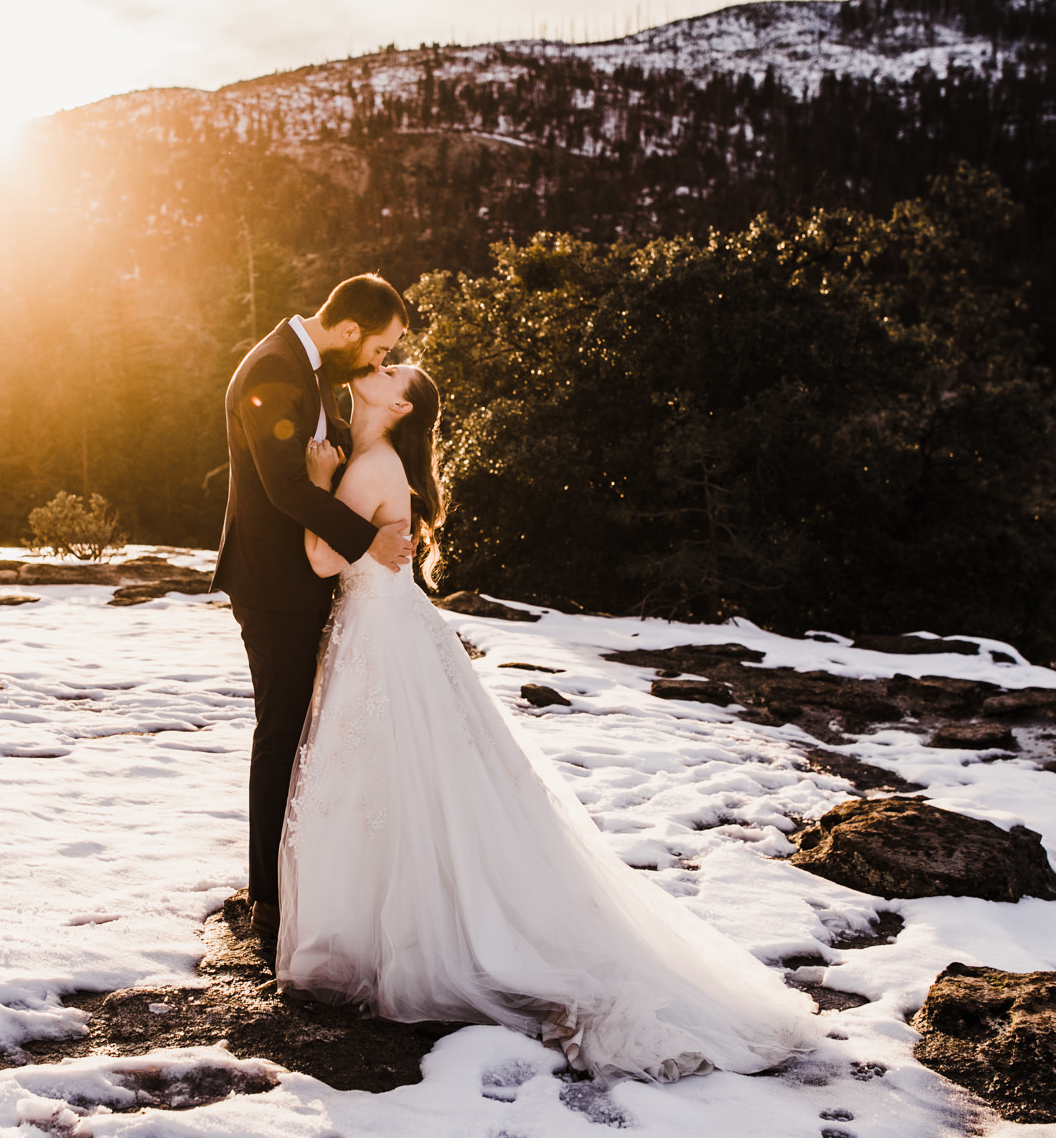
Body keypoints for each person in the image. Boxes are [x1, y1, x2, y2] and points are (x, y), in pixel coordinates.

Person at [275, 361, 819, 1081]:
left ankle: (386, 937)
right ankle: (400, 926)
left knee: (380, 779)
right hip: (390, 631)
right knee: (409, 780)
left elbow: (319, 557)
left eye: (393, 368)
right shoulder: (372, 460)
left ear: (400, 403)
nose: (379, 365)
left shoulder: (370, 464)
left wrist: (315, 485)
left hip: (378, 639)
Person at [211, 274, 416, 956]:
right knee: (281, 732)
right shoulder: (275, 367)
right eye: (381, 345)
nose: (380, 359)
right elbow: (287, 484)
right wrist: (369, 540)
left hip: (303, 581)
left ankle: (295, 882)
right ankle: (267, 899)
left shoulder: (312, 369)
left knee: (302, 730)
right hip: (272, 587)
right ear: (352, 330)